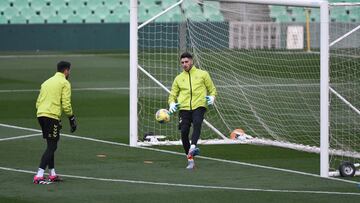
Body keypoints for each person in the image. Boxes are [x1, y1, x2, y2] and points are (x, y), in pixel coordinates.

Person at [168, 52, 217, 169]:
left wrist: (212, 97)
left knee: (197, 122)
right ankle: (190, 159)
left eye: (186, 62)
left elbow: (212, 89)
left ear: (191, 61)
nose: (184, 64)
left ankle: (193, 146)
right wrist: (172, 104)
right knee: (184, 131)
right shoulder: (178, 78)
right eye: (182, 63)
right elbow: (172, 95)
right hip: (184, 108)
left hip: (199, 105)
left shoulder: (203, 74)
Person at [33, 61, 77, 184]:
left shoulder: (46, 82)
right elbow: (66, 104)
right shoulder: (64, 83)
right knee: (53, 146)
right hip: (50, 116)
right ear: (66, 71)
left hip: (41, 114)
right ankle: (39, 174)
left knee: (50, 144)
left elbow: (38, 102)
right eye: (69, 71)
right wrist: (71, 118)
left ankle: (52, 174)